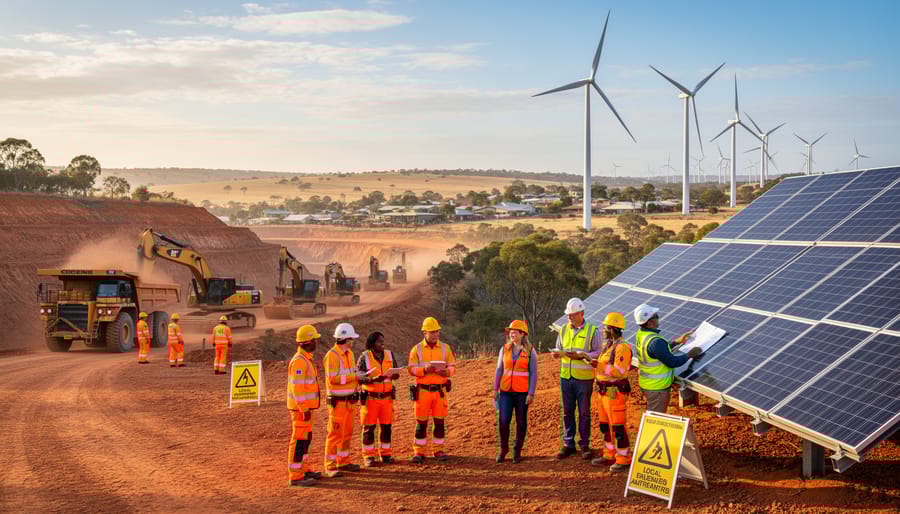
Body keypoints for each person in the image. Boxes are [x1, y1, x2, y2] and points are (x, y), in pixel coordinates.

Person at [551, 298, 603, 460]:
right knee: (567, 412)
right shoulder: (564, 329)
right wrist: (556, 353)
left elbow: (598, 353)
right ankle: (568, 444)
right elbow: (558, 348)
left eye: (572, 315)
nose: (569, 318)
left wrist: (583, 356)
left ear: (581, 314)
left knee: (584, 412)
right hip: (566, 377)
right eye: (568, 315)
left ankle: (585, 444)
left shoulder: (593, 331)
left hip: (584, 379)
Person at [633, 304, 702, 414]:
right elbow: (672, 362)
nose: (658, 317)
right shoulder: (655, 341)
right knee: (655, 418)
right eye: (656, 316)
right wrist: (689, 355)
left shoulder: (642, 334)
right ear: (650, 322)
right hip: (657, 388)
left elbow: (657, 351)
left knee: (653, 413)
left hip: (648, 384)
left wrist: (676, 342)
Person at [407, 316, 456, 463]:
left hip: (440, 392)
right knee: (421, 423)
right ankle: (419, 452)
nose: (435, 334)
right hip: (423, 392)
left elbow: (453, 366)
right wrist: (424, 370)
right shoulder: (417, 349)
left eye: (437, 332)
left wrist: (446, 372)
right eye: (432, 332)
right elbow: (410, 369)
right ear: (425, 333)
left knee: (439, 422)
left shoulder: (445, 348)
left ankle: (438, 450)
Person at [590, 312, 633, 472]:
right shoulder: (608, 346)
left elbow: (619, 371)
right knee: (604, 425)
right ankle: (609, 453)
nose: (603, 329)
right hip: (603, 392)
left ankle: (623, 458)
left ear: (613, 328)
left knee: (618, 426)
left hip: (615, 392)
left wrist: (598, 366)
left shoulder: (622, 348)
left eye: (605, 326)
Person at [493, 320, 537, 464]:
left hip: (522, 393)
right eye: (510, 331)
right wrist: (495, 389)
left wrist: (531, 393)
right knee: (504, 420)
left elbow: (533, 373)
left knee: (521, 422)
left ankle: (517, 451)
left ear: (523, 334)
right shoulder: (504, 349)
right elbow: (499, 369)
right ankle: (503, 449)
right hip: (505, 391)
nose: (512, 333)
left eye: (515, 331)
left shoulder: (530, 351)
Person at [356, 331, 401, 467]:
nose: (382, 343)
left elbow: (397, 373)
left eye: (383, 341)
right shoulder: (364, 357)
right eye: (379, 342)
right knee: (369, 428)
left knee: (386, 427)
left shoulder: (389, 354)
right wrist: (372, 379)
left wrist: (393, 375)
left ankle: (386, 454)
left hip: (387, 398)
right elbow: (358, 377)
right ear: (372, 344)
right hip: (371, 398)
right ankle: (368, 456)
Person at [287, 325, 323, 487]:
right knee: (300, 441)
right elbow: (297, 387)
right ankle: (295, 476)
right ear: (308, 341)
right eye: (314, 339)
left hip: (306, 409)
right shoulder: (299, 362)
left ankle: (304, 469)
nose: (316, 342)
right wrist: (303, 408)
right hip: (301, 410)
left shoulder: (305, 358)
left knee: (306, 439)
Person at [323, 322, 361, 477]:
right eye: (352, 339)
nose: (353, 342)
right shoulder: (331, 356)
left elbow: (350, 374)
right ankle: (330, 466)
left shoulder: (350, 354)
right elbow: (333, 379)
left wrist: (359, 376)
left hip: (349, 401)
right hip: (338, 402)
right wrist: (354, 376)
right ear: (347, 339)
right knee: (334, 434)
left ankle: (343, 461)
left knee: (347, 433)